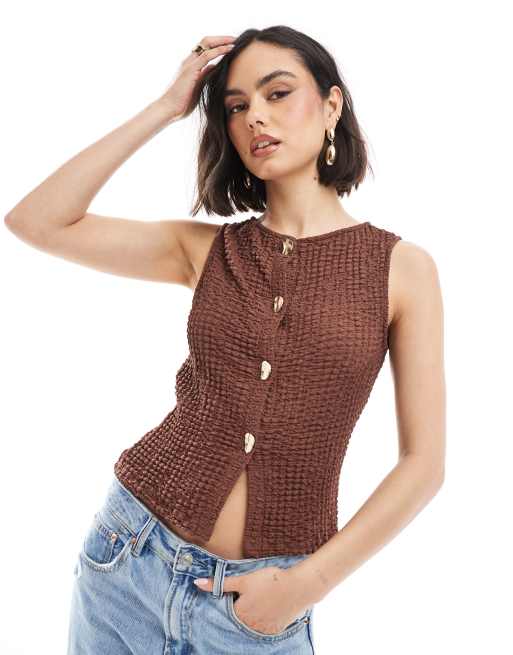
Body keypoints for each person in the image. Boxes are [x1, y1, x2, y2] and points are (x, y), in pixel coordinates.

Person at [4, 25, 446, 655]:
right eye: (237, 107)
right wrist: (167, 108)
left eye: (277, 93)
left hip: (263, 603)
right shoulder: (207, 251)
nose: (255, 117)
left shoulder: (401, 269)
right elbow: (36, 220)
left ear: (332, 105)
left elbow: (423, 465)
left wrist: (305, 585)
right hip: (128, 561)